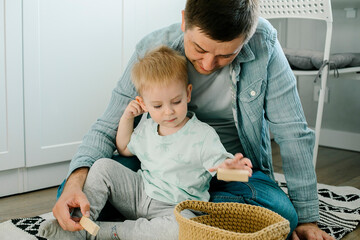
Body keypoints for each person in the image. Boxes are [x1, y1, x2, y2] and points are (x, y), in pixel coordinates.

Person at [51, 0, 335, 239]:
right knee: (76, 187)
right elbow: (107, 129)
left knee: (283, 215)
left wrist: (307, 219)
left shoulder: (264, 46)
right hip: (156, 170)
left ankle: (167, 221)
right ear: (185, 21)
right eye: (199, 49)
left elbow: (293, 133)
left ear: (246, 39)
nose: (208, 65)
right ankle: (186, 224)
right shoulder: (152, 52)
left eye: (226, 55)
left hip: (225, 174)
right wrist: (76, 184)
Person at [38, 46, 253, 239]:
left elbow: (221, 169)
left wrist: (232, 168)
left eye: (176, 102)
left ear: (188, 94)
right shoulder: (148, 126)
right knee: (103, 166)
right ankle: (80, 221)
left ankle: (102, 233)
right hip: (140, 194)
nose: (168, 111)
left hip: (175, 208)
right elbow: (124, 148)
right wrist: (127, 117)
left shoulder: (202, 135)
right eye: (158, 106)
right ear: (144, 104)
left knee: (185, 228)